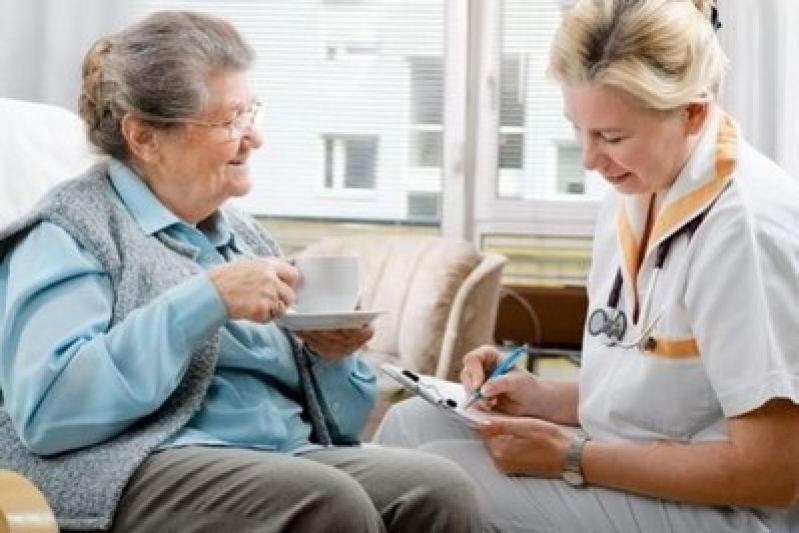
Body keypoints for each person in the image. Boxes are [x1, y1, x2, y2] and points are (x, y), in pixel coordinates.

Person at [0, 10, 479, 533]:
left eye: (251, 112)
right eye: (230, 120)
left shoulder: (245, 238)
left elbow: (336, 428)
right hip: (135, 463)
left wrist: (331, 359)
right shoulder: (72, 231)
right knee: (326, 501)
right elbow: (48, 413)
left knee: (439, 490)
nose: (255, 138)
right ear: (144, 137)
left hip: (278, 454)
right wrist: (206, 299)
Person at [374, 1, 799, 531]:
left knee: (429, 479)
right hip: (638, 465)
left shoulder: (745, 228)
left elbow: (774, 471)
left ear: (692, 111)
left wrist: (570, 455)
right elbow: (670, 402)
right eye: (578, 128)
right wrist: (545, 399)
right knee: (406, 427)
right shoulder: (636, 189)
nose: (589, 159)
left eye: (613, 137)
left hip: (733, 514)